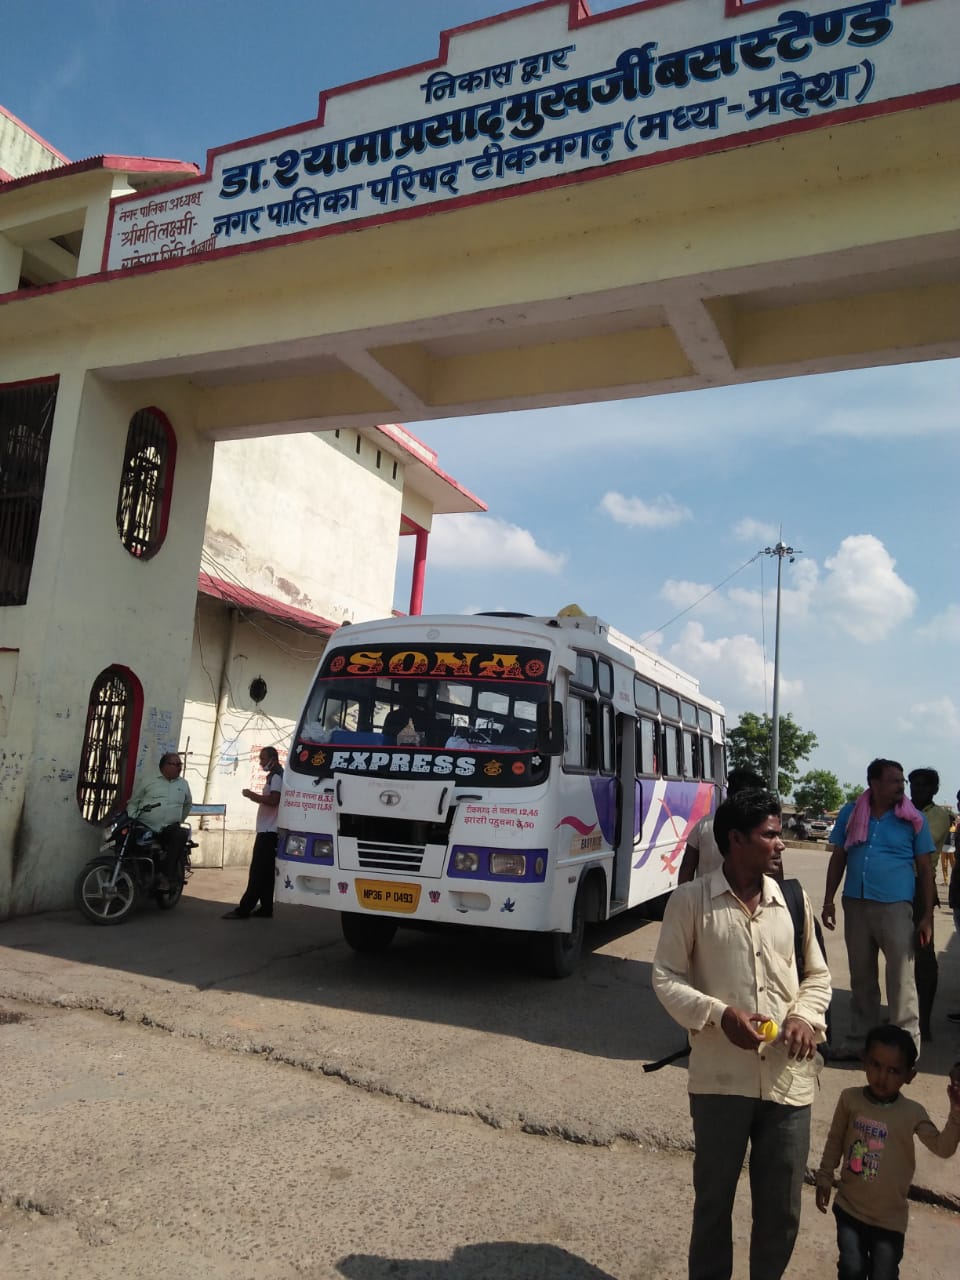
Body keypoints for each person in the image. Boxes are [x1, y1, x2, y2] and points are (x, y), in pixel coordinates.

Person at [653, 788, 831, 1280]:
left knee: (781, 1212)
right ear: (735, 839)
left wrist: (803, 1017)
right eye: (770, 834)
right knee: (713, 1205)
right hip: (719, 1082)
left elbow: (818, 976)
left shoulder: (792, 899)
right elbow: (665, 977)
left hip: (788, 1083)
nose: (781, 843)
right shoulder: (690, 901)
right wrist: (719, 1015)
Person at [815, 1026, 960, 1280]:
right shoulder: (849, 1100)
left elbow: (943, 1147)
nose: (882, 1077)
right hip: (849, 1209)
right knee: (851, 1269)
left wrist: (956, 1113)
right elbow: (835, 1140)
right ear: (864, 1061)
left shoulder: (912, 1113)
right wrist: (824, 1176)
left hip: (889, 1221)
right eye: (876, 1065)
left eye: (894, 1071)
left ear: (910, 1076)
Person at [821, 759, 935, 1057]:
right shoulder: (851, 812)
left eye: (901, 781)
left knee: (901, 979)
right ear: (874, 783)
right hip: (856, 903)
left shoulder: (913, 819)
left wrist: (927, 916)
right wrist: (828, 899)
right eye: (894, 781)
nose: (901, 786)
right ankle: (860, 1042)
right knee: (861, 978)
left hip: (895, 907)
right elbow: (839, 857)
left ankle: (905, 1047)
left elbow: (925, 870)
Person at [907, 767, 950, 1042]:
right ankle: (905, 1013)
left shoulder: (939, 816)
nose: (918, 790)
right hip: (896, 885)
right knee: (899, 954)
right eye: (914, 785)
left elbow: (921, 842)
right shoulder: (902, 809)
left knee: (924, 954)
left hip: (921, 886)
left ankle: (924, 1018)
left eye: (924, 785)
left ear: (934, 789)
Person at [223, 747, 283, 920]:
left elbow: (274, 800)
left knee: (257, 872)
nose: (261, 762)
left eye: (263, 759)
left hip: (269, 831)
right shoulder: (275, 775)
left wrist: (252, 795)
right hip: (269, 829)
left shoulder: (277, 776)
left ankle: (244, 909)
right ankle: (266, 908)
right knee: (266, 873)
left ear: (272, 758)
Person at [677, 767, 765, 884]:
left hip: (706, 894)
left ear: (728, 793)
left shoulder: (704, 824)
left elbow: (687, 866)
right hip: (747, 895)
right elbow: (774, 872)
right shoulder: (762, 828)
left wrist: (683, 893)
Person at [126, 751, 192, 889]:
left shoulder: (183, 784)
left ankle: (165, 876)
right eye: (176, 764)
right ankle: (129, 874)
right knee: (129, 840)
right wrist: (133, 817)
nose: (179, 768)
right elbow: (134, 802)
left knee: (180, 834)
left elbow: (187, 805)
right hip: (146, 825)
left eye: (180, 764)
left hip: (169, 828)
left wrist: (178, 819)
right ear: (164, 765)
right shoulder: (148, 781)